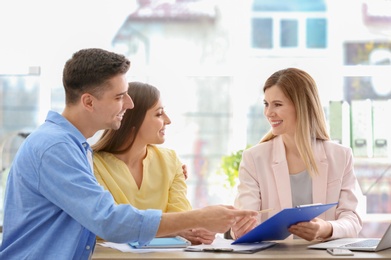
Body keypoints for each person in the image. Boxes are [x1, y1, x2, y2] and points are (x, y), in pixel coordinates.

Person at [0, 48, 258, 260]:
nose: (130, 104)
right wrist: (199, 217)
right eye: (120, 96)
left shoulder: (74, 146)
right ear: (88, 102)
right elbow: (108, 221)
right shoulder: (55, 148)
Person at [231, 68, 363, 242]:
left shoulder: (341, 156)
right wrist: (240, 228)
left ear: (302, 106)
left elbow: (353, 219)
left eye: (277, 104)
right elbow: (246, 221)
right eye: (266, 104)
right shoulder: (254, 159)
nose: (269, 112)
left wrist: (326, 228)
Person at [92, 82, 216, 245]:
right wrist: (171, 230)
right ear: (132, 119)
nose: (168, 120)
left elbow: (183, 221)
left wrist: (193, 230)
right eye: (159, 114)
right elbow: (104, 227)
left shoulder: (170, 160)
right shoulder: (92, 164)